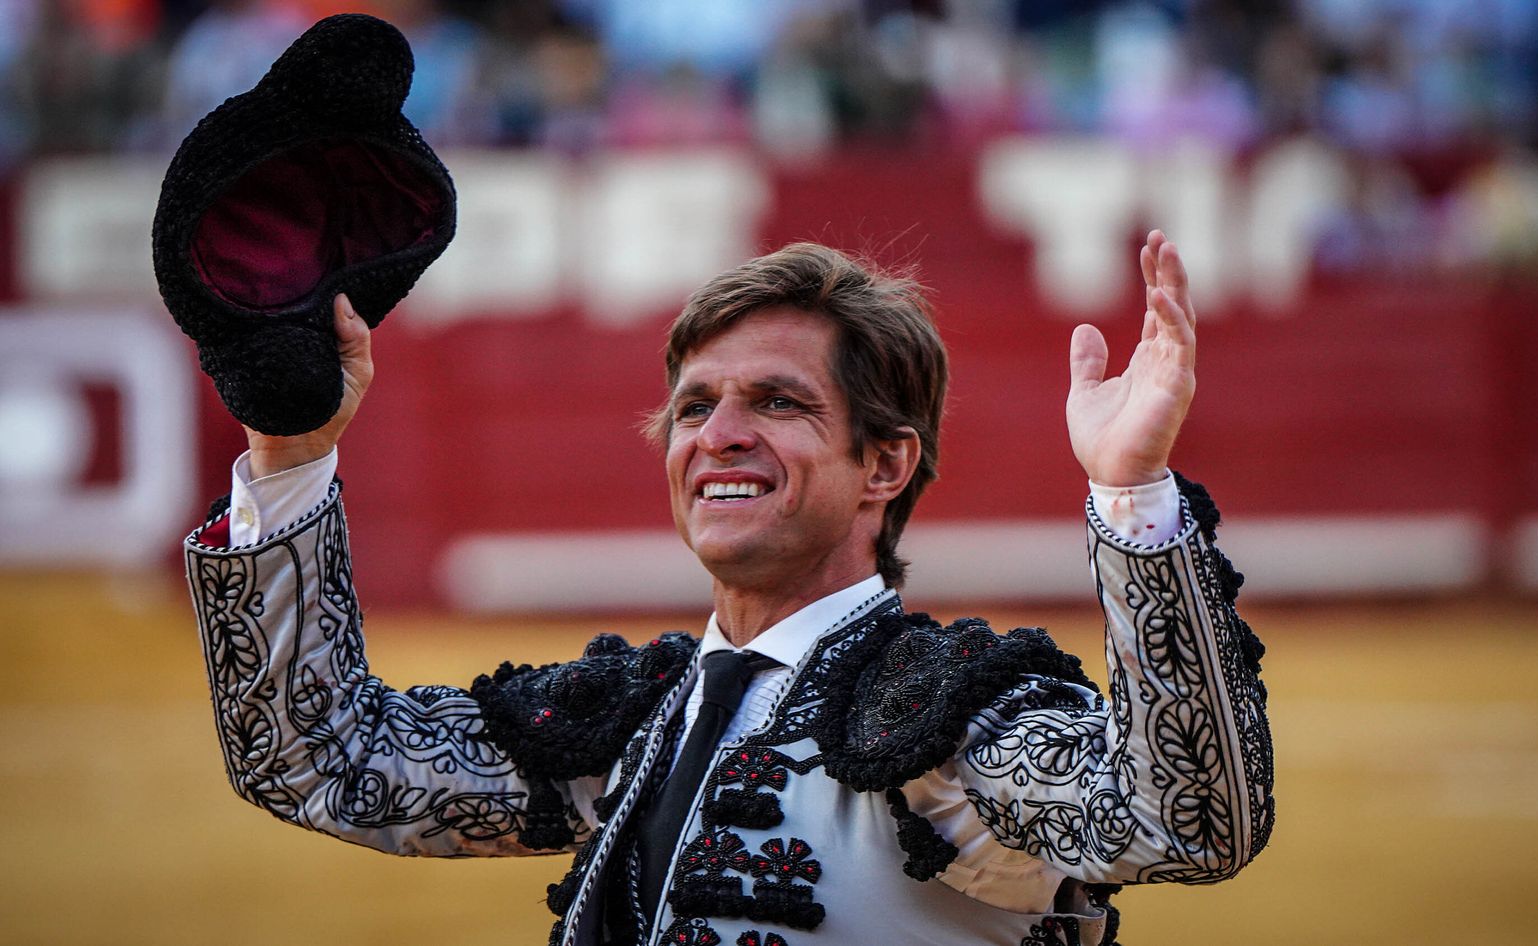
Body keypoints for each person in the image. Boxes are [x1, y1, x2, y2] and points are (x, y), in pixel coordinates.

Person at [185, 232, 1272, 946]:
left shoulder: (945, 718)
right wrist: (289, 458)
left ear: (883, 466)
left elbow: (1184, 818)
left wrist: (1130, 497)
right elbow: (319, 759)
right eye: (694, 405)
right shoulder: (631, 721)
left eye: (777, 402)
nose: (719, 435)